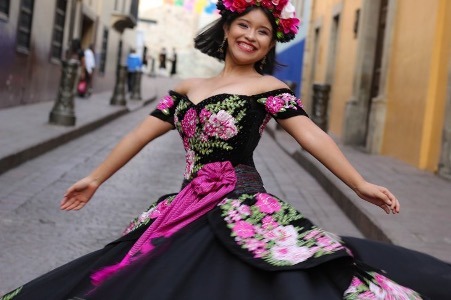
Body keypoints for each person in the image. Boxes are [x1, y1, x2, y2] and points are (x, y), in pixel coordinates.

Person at [2, 1, 450, 299]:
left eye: (263, 32)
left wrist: (359, 183)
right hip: (182, 205)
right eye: (244, 25)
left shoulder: (269, 88)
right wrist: (96, 177)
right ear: (227, 28)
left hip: (241, 202)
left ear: (272, 43)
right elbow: (139, 135)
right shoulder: (185, 88)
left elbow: (312, 136)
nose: (251, 36)